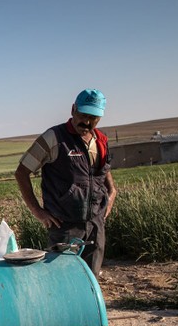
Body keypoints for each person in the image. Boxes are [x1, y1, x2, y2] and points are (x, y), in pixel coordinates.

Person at [14, 89, 118, 276]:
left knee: (90, 279)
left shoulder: (101, 140)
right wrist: (38, 211)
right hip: (65, 227)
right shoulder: (54, 138)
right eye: (83, 114)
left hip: (96, 224)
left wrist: (111, 194)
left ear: (100, 118)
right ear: (72, 110)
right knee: (62, 279)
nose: (86, 121)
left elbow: (103, 172)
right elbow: (22, 172)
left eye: (93, 117)